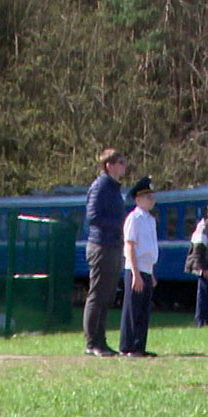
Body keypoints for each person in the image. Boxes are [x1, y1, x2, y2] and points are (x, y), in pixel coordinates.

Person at [83, 148, 128, 357]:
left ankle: (101, 340)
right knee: (98, 294)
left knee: (107, 295)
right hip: (101, 246)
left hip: (113, 246)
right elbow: (93, 217)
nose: (124, 166)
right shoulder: (100, 186)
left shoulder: (115, 189)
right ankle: (92, 342)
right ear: (109, 165)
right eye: (121, 162)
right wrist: (119, 224)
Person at [120, 176, 159, 358]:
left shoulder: (150, 220)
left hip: (147, 268)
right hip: (135, 268)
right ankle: (127, 346)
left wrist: (150, 273)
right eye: (147, 197)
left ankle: (139, 346)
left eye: (152, 196)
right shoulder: (134, 218)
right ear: (137, 199)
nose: (152, 200)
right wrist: (135, 273)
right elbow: (130, 246)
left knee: (144, 309)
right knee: (132, 309)